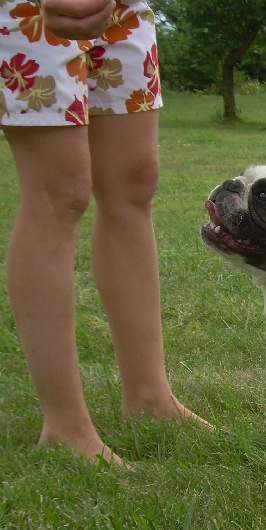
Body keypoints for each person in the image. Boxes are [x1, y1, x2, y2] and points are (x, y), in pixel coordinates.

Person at [1, 0, 209, 465]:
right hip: (28, 8)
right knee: (59, 193)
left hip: (121, 8)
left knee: (134, 181)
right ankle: (64, 426)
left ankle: (149, 396)